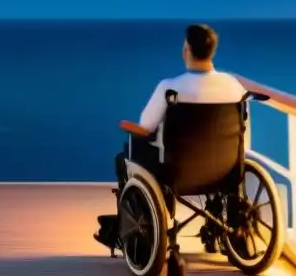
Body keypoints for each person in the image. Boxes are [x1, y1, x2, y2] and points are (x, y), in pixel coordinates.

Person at [95, 23, 246, 249]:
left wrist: (126, 125)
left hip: (180, 173)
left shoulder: (171, 88)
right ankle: (222, 230)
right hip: (226, 171)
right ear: (212, 50)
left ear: (187, 49)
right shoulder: (235, 87)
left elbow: (146, 128)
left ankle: (134, 230)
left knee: (125, 156)